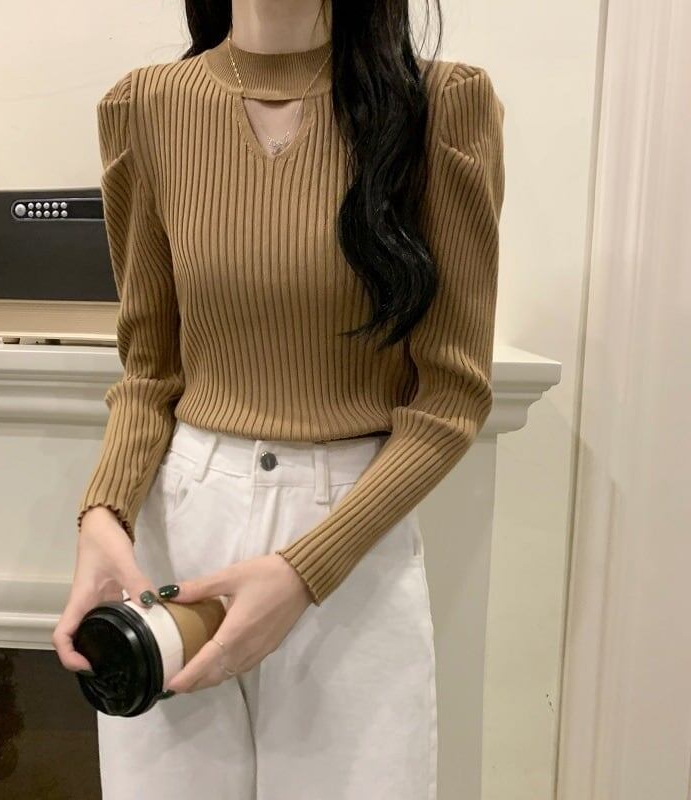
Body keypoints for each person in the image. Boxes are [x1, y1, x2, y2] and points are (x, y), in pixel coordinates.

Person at [52, 1, 505, 797]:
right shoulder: (147, 107)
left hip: (349, 541)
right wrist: (103, 514)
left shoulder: (442, 106)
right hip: (179, 530)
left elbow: (449, 399)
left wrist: (304, 571)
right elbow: (151, 369)